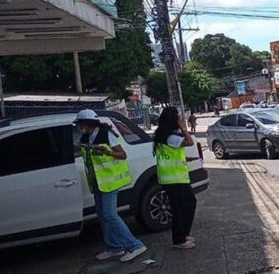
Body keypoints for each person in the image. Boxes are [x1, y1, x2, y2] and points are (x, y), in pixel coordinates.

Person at [76, 110, 147, 262]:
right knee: (102, 215)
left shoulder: (106, 134)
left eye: (80, 123)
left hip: (109, 181)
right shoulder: (86, 137)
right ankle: (114, 247)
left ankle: (134, 245)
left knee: (109, 215)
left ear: (87, 123)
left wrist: (107, 152)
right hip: (98, 182)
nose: (78, 127)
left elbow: (122, 155)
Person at [153, 107, 197, 250]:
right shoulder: (171, 137)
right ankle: (179, 239)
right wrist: (184, 128)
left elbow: (173, 154)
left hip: (173, 178)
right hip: (174, 179)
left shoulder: (164, 135)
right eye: (179, 117)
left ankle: (183, 234)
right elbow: (190, 142)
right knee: (181, 208)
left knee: (187, 204)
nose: (181, 118)